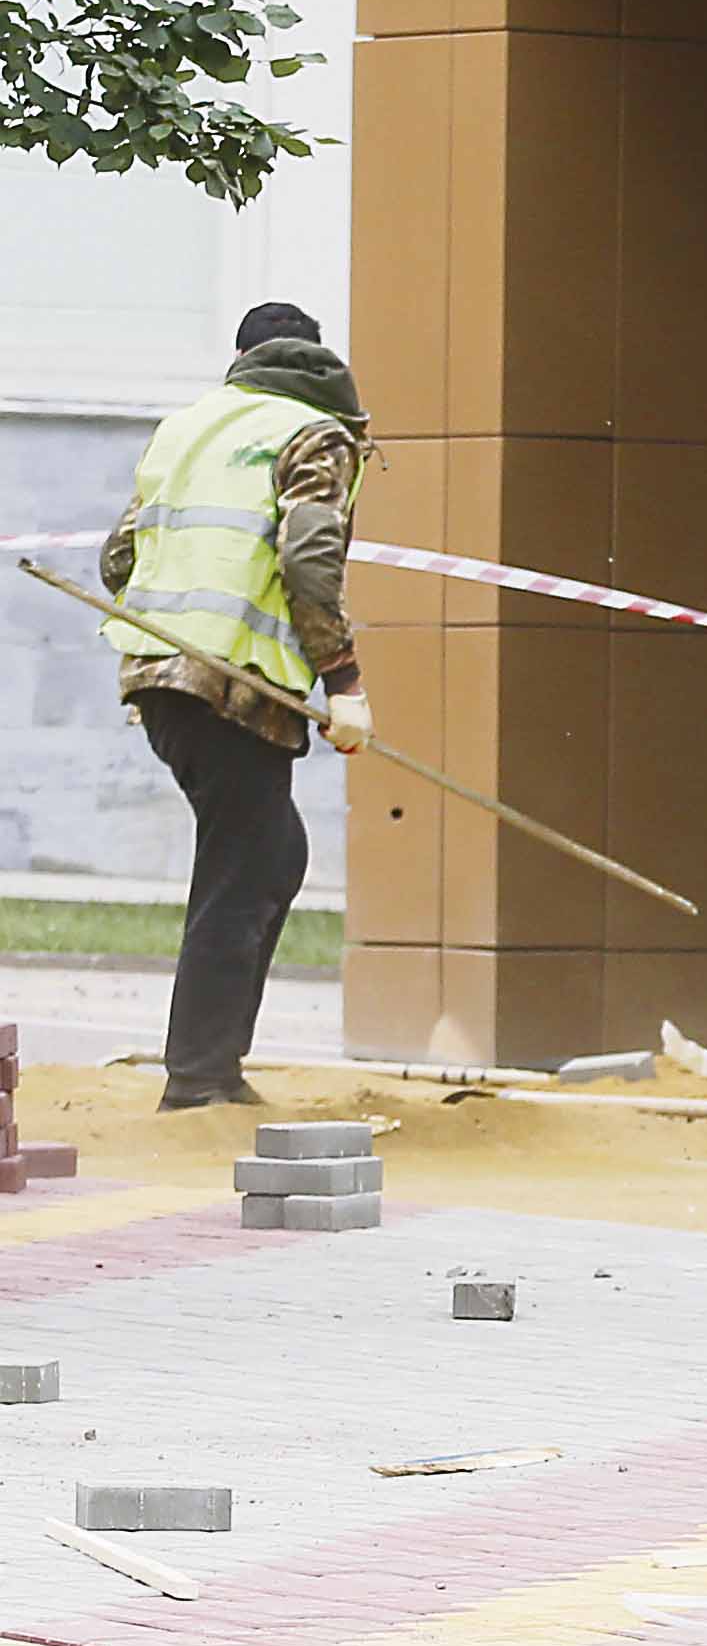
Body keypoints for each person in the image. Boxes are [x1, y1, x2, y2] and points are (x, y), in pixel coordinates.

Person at [99, 301, 372, 1111]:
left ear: (242, 358)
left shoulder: (188, 428)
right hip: (233, 687)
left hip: (158, 677)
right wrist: (345, 682)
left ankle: (210, 1066)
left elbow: (121, 558)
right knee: (245, 865)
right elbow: (308, 555)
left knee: (270, 852)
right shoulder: (316, 434)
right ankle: (199, 1081)